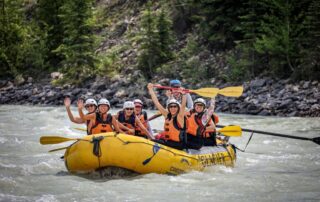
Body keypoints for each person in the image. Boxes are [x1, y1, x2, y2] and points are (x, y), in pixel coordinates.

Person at [148, 83, 187, 150]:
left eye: (175, 106)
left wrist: (183, 94)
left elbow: (183, 106)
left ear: (178, 108)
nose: (173, 108)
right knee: (153, 139)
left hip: (178, 144)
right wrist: (151, 89)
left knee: (152, 141)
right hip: (169, 141)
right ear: (168, 108)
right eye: (171, 107)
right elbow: (156, 103)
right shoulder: (167, 115)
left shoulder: (180, 117)